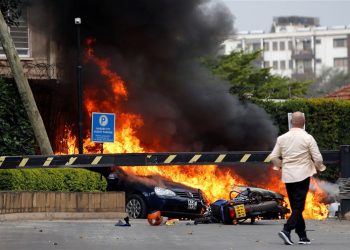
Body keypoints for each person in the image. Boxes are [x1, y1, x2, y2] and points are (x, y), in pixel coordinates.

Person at [269, 111, 326, 245]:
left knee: (296, 206)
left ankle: (303, 236)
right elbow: (317, 157)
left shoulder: (282, 138)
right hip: (303, 174)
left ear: (291, 122)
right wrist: (320, 167)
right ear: (304, 122)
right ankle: (287, 229)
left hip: (288, 175)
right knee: (299, 207)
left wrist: (280, 165)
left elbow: (273, 157)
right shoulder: (308, 138)